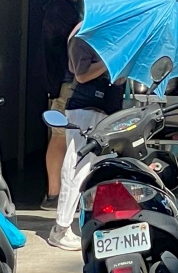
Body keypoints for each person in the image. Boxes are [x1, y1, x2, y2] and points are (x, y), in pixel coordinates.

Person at [48, 22, 125, 250]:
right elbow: (82, 75)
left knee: (98, 167)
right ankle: (61, 228)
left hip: (107, 108)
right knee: (77, 165)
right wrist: (109, 60)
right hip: (85, 108)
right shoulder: (83, 34)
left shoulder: (112, 34)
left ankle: (95, 221)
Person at [37, 0, 101, 211]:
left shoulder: (65, 5)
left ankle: (59, 194)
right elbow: (70, 46)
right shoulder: (61, 9)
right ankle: (54, 195)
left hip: (63, 81)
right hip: (64, 83)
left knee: (64, 136)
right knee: (60, 136)